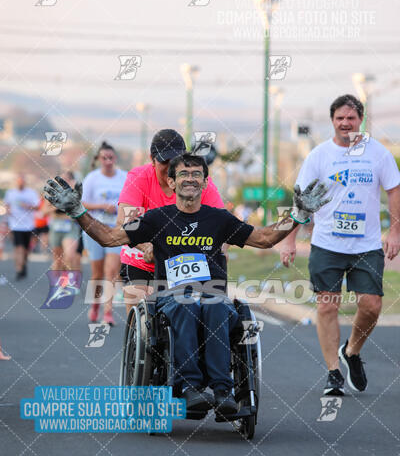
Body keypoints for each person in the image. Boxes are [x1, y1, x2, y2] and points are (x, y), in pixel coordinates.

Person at [43, 153, 330, 414]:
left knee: (216, 306)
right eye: (183, 174)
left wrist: (297, 216)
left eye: (196, 175)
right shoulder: (155, 218)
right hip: (171, 296)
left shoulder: (219, 219)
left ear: (205, 183)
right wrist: (78, 211)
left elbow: (264, 238)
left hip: (213, 294)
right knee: (186, 304)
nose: (190, 179)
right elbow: (109, 237)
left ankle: (222, 391)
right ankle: (189, 388)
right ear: (171, 181)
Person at [279, 94, 400, 396]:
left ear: (361, 120)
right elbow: (302, 200)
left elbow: (394, 190)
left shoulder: (378, 154)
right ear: (332, 121)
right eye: (339, 119)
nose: (346, 124)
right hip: (327, 244)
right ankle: (333, 372)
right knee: (326, 306)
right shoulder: (319, 155)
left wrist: (395, 232)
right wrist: (290, 238)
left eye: (351, 118)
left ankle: (352, 350)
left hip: (367, 245)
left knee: (371, 306)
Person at [116, 129, 224, 315]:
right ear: (152, 159)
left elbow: (222, 223)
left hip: (182, 263)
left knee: (193, 314)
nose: (170, 166)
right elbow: (124, 221)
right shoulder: (139, 177)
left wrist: (217, 249)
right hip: (142, 261)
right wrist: (147, 247)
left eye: (175, 160)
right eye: (164, 161)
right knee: (143, 315)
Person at [82, 142, 127, 325]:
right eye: (104, 158)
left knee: (111, 271)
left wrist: (119, 210)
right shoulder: (92, 178)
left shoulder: (124, 177)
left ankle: (107, 311)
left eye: (111, 157)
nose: (108, 161)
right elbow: (82, 203)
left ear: (115, 158)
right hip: (95, 229)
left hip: (115, 229)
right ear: (99, 159)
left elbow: (130, 201)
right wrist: (101, 206)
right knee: (97, 273)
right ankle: (95, 305)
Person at [44, 171, 82, 272]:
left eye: (66, 180)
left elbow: (81, 211)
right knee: (58, 261)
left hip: (71, 228)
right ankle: (59, 284)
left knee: (69, 256)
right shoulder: (52, 193)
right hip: (56, 228)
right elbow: (43, 211)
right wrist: (55, 207)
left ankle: (68, 283)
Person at [4, 173, 39, 280]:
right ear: (16, 182)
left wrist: (28, 206)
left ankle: (23, 265)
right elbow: (7, 205)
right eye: (18, 181)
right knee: (18, 248)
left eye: (22, 181)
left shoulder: (31, 193)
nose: (20, 183)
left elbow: (37, 207)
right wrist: (8, 212)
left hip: (28, 225)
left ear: (25, 182)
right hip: (15, 225)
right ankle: (18, 269)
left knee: (26, 249)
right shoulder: (10, 193)